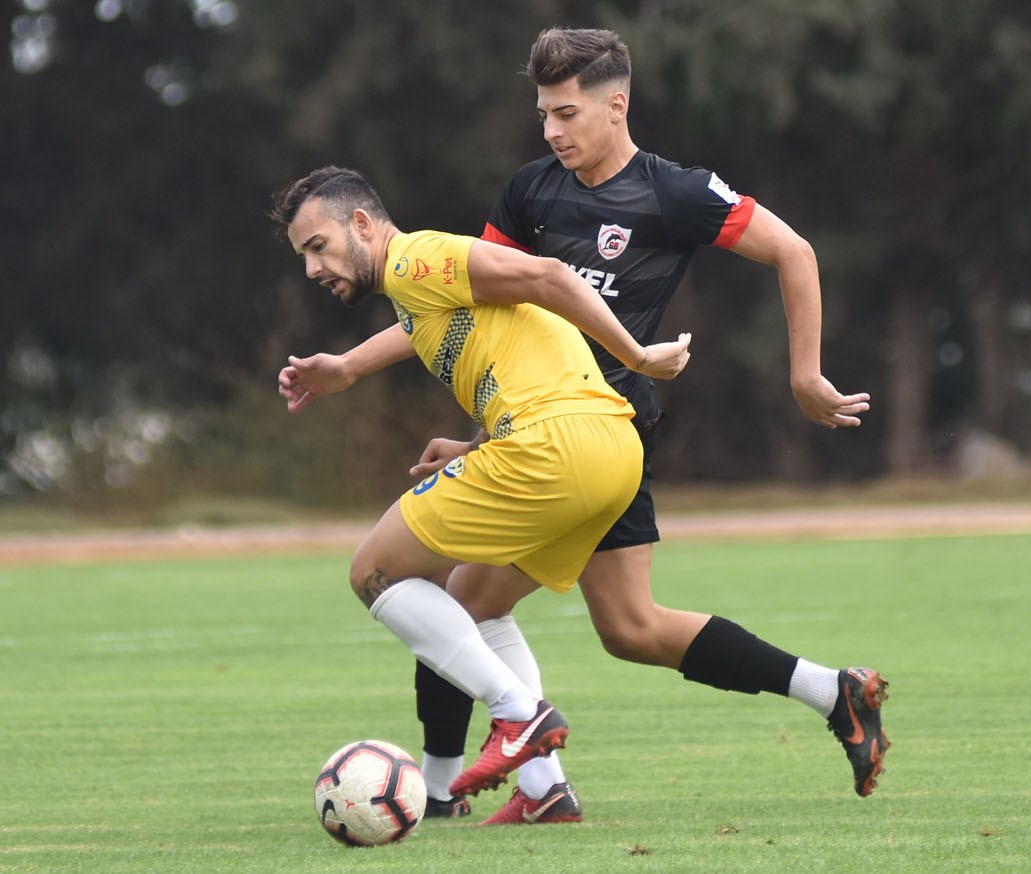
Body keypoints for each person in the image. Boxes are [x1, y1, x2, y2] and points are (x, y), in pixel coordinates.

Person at [278, 28, 889, 822]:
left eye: (565, 113)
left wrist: (803, 373)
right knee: (626, 627)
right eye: (542, 115)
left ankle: (454, 779)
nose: (552, 131)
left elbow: (794, 252)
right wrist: (383, 383)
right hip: (539, 422)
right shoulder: (531, 192)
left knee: (444, 596)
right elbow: (467, 307)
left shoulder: (676, 193)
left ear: (616, 105)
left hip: (609, 421)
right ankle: (825, 691)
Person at [268, 164, 692, 795]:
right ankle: (545, 791)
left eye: (318, 247)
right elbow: (426, 330)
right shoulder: (419, 295)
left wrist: (637, 355)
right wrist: (349, 370)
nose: (312, 269)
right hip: (610, 451)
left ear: (361, 224)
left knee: (374, 573)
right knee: (480, 604)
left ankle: (518, 715)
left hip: (548, 448)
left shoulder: (414, 260)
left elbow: (549, 276)